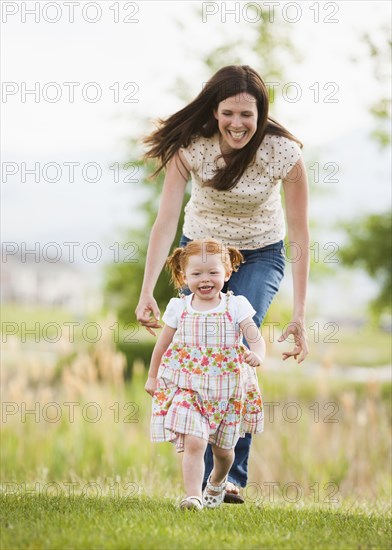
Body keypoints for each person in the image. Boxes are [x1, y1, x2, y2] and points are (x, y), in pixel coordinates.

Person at [135, 64, 310, 503]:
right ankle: (200, 461)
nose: (237, 123)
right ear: (214, 111)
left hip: (259, 254)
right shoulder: (190, 147)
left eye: (247, 114)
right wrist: (147, 291)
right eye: (229, 113)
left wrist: (301, 314)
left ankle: (230, 478)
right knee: (198, 346)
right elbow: (166, 220)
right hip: (202, 256)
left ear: (261, 113)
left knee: (235, 342)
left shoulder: (283, 153)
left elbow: (301, 233)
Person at [144, 238, 265, 510]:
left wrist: (257, 354)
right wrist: (153, 376)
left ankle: (218, 480)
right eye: (196, 274)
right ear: (184, 276)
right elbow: (162, 346)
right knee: (194, 442)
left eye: (213, 272)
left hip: (227, 392)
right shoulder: (180, 307)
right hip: (189, 387)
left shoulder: (236, 305)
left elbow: (255, 338)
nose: (205, 279)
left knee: (224, 452)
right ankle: (193, 496)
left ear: (227, 272)